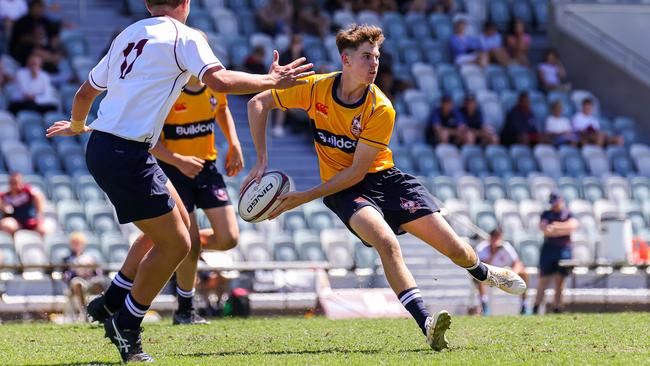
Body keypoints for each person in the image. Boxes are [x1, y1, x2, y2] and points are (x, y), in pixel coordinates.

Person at [45, 0, 312, 362]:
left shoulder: (128, 34)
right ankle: (126, 325)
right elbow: (218, 80)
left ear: (146, 4)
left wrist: (78, 127)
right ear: (185, 3)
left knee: (182, 229)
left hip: (111, 148)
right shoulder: (183, 36)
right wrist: (270, 80)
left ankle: (111, 304)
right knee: (175, 245)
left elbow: (84, 94)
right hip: (127, 155)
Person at [243, 24, 526, 352]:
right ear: (345, 60)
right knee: (387, 243)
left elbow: (357, 170)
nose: (374, 63)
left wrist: (303, 197)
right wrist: (261, 160)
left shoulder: (381, 108)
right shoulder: (315, 88)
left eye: (376, 57)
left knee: (455, 250)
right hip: (345, 192)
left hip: (385, 180)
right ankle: (428, 324)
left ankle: (484, 271)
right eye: (366, 57)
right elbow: (258, 103)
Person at [150, 63, 243, 325]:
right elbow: (149, 141)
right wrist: (178, 160)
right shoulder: (168, 92)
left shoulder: (215, 85)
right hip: (174, 172)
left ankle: (177, 244)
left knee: (228, 238)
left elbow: (222, 109)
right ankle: (185, 310)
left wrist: (233, 143)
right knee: (188, 247)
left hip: (207, 168)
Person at [533, 193, 579, 314]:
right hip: (549, 250)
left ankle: (557, 307)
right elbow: (546, 230)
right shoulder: (546, 214)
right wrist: (563, 229)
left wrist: (557, 226)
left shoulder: (567, 213)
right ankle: (536, 307)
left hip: (563, 250)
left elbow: (573, 226)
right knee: (544, 279)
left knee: (560, 280)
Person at [474, 228, 529, 315]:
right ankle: (484, 305)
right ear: (490, 238)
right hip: (488, 274)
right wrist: (494, 252)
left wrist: (514, 273)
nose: (496, 240)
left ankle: (524, 306)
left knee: (524, 273)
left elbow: (517, 262)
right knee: (479, 277)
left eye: (498, 237)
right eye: (494, 237)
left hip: (504, 274)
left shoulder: (506, 246)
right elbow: (481, 267)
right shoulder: (482, 248)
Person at [63, 231, 107, 321]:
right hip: (75, 284)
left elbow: (98, 272)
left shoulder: (90, 257)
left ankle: (103, 311)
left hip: (90, 281)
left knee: (101, 282)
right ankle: (84, 312)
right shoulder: (67, 259)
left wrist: (91, 269)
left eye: (78, 243)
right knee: (77, 283)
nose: (77, 245)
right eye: (74, 243)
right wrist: (76, 272)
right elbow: (66, 275)